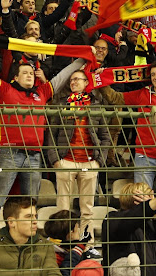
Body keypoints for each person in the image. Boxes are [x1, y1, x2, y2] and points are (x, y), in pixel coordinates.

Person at [0, 36, 90, 244]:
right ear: (15, 78)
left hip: (35, 157)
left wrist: (83, 58)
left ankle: (28, 241)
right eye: (24, 73)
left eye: (31, 73)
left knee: (31, 205)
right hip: (10, 154)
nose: (30, 76)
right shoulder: (5, 90)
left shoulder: (42, 92)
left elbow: (63, 75)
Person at [97, 61, 156, 194]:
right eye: (153, 74)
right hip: (144, 156)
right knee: (142, 199)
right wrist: (101, 80)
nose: (155, 77)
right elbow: (115, 98)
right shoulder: (143, 94)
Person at [44, 69, 111, 231]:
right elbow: (51, 134)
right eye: (71, 80)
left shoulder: (96, 105)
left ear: (86, 83)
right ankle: (63, 243)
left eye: (77, 79)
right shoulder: (61, 104)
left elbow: (105, 137)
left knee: (87, 210)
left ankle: (87, 244)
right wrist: (55, 160)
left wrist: (99, 162)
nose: (73, 82)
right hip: (65, 161)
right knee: (63, 209)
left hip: (90, 162)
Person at [102, 181, 156, 276]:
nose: (152, 200)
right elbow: (130, 219)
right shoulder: (113, 218)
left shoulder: (151, 222)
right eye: (149, 197)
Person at [0, 197, 61, 275]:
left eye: (35, 216)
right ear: (11, 222)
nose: (35, 221)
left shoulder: (45, 247)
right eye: (29, 217)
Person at [43, 210, 98, 276]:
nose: (79, 231)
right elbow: (66, 270)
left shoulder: (56, 246)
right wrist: (79, 248)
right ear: (71, 233)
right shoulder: (53, 257)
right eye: (77, 228)